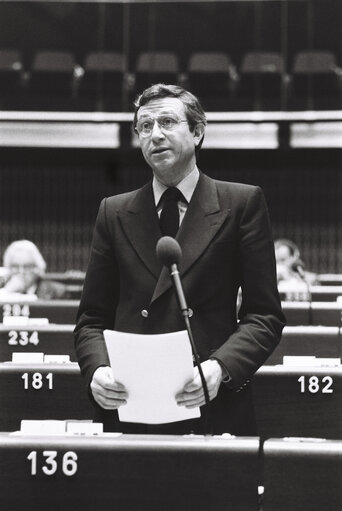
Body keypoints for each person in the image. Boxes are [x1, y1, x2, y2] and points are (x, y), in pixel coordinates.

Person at [74, 83, 286, 435]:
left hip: (209, 400)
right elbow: (91, 319)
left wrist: (220, 368)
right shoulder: (113, 211)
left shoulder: (242, 204)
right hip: (130, 403)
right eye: (145, 126)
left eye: (168, 122)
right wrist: (97, 370)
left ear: (198, 132)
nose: (155, 134)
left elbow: (264, 316)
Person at [0, 240, 69, 300]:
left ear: (38, 268)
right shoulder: (2, 288)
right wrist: (7, 291)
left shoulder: (58, 292)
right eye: (15, 266)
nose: (21, 272)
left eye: (27, 266)